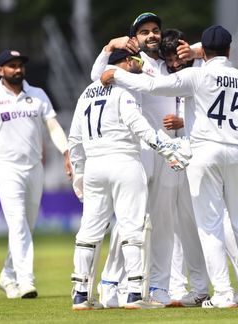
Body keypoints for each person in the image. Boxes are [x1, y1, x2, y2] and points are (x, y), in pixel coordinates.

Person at [101, 25, 238, 308]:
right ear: (230, 49)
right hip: (236, 153)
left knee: (209, 225)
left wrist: (116, 73)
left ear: (202, 51)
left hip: (202, 153)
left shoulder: (196, 75)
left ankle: (223, 293)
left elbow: (150, 85)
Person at [68, 48, 190, 310]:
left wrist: (78, 172)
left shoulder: (85, 94)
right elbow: (140, 126)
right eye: (131, 60)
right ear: (119, 64)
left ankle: (80, 294)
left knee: (89, 230)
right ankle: (134, 293)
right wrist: (168, 149)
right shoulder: (124, 91)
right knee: (132, 228)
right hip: (124, 161)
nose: (137, 63)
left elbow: (74, 139)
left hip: (94, 166)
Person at [91, 12, 198, 307]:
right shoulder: (132, 65)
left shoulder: (171, 63)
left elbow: (203, 65)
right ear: (134, 39)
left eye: (155, 30)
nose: (151, 35)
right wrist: (108, 48)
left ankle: (158, 288)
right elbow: (96, 78)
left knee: (163, 221)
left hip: (168, 152)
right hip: (138, 150)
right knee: (130, 222)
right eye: (144, 32)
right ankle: (112, 283)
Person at [0, 49, 73, 299]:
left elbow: (53, 127)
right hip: (6, 168)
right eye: (11, 66)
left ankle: (7, 275)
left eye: (20, 65)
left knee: (26, 226)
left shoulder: (38, 95)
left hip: (34, 168)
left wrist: (66, 153)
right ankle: (25, 280)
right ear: (0, 71)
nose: (17, 70)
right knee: (18, 223)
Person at [160, 28, 238, 307]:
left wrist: (181, 121)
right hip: (172, 157)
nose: (175, 63)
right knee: (183, 228)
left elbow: (214, 117)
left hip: (202, 155)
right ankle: (198, 288)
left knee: (222, 223)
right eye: (169, 60)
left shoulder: (202, 70)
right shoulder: (166, 74)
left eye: (178, 57)